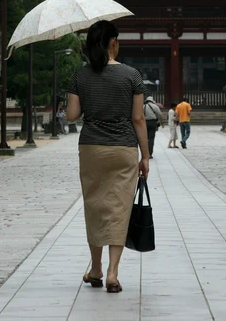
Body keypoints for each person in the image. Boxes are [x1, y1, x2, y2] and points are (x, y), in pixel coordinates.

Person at [66, 20, 149, 294]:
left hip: (91, 148)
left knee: (95, 206)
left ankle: (96, 268)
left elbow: (72, 116)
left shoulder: (80, 75)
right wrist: (145, 156)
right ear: (113, 42)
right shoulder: (132, 75)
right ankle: (113, 273)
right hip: (124, 148)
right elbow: (138, 119)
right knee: (119, 208)